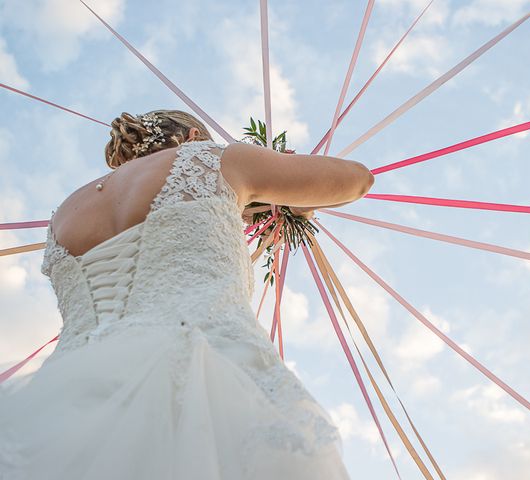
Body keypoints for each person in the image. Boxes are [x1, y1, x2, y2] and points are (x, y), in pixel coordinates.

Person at [0, 109, 374, 479]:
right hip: (206, 374)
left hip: (67, 401)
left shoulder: (65, 213)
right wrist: (284, 188)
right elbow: (356, 180)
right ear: (194, 136)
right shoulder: (214, 159)